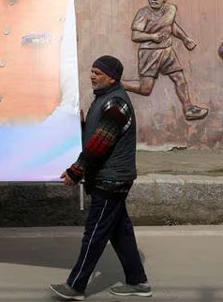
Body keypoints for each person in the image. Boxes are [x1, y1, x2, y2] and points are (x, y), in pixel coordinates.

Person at [50, 55, 152, 301]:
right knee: (120, 231)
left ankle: (76, 286)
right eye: (91, 71)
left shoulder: (116, 102)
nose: (92, 76)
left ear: (112, 77)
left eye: (97, 72)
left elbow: (101, 143)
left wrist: (77, 170)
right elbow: (97, 134)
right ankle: (138, 282)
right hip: (110, 176)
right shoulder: (104, 100)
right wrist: (83, 124)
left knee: (95, 232)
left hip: (112, 178)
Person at [122, 0, 208, 121]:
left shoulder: (170, 10)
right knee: (145, 89)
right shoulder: (143, 13)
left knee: (179, 78)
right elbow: (135, 35)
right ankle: (116, 84)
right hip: (149, 53)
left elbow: (171, 26)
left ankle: (188, 108)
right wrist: (151, 37)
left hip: (167, 50)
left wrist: (185, 39)